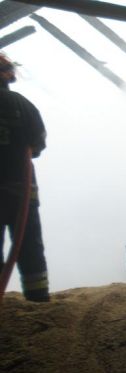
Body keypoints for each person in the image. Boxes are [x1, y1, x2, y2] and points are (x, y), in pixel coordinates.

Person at [0, 52, 49, 302]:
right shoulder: (22, 105)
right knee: (29, 246)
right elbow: (38, 143)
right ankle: (38, 299)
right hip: (22, 192)